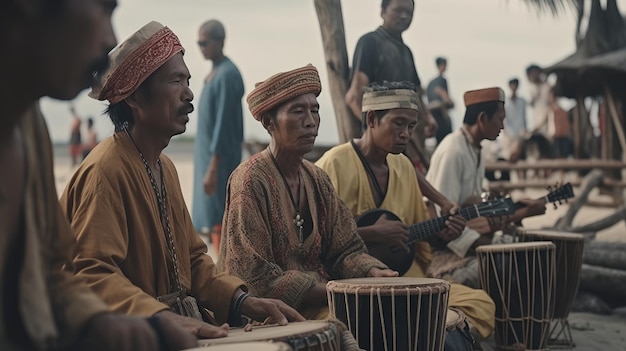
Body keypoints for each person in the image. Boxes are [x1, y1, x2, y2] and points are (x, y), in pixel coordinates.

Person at [60, 21, 303, 339]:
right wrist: (163, 319)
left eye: (188, 80)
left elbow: (191, 260)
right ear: (133, 98)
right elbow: (92, 274)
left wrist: (243, 300)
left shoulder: (165, 168)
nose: (189, 93)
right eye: (176, 80)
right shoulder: (105, 171)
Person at [1, 1, 197, 350]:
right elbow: (88, 269)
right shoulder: (105, 170)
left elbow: (48, 278)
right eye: (104, 9)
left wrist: (101, 324)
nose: (110, 38)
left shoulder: (30, 127)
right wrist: (152, 316)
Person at [316, 81, 496, 340]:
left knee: (479, 303)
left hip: (404, 277)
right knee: (338, 325)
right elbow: (316, 239)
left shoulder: (402, 166)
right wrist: (373, 233)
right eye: (398, 123)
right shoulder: (334, 163)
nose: (406, 134)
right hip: (350, 284)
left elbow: (418, 233)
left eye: (411, 126)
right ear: (371, 119)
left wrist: (443, 233)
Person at [218, 64, 397, 321]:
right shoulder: (249, 181)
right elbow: (252, 277)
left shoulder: (317, 179)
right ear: (269, 122)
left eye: (315, 110)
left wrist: (371, 273)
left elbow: (346, 249)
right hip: (268, 318)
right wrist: (337, 291)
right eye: (298, 111)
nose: (311, 121)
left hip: (326, 302)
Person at [426, 87, 547, 289]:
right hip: (443, 252)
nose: (502, 125)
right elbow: (443, 222)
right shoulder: (453, 151)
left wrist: (515, 211)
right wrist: (487, 245)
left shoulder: (475, 149)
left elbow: (473, 208)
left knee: (523, 251)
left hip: (468, 239)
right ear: (482, 119)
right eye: (499, 119)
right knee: (509, 263)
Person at [345, 0, 438, 172]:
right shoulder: (370, 43)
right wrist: (375, 133)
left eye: (409, 13)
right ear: (383, 11)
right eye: (398, 10)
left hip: (405, 144)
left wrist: (428, 116)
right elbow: (354, 97)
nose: (404, 16)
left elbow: (415, 92)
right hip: (378, 148)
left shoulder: (406, 51)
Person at [191, 19, 244, 254]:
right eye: (199, 43)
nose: (201, 47)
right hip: (208, 159)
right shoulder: (215, 73)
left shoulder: (227, 75)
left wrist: (213, 166)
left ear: (220, 42)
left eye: (205, 42)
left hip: (219, 161)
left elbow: (223, 125)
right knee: (211, 216)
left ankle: (225, 268)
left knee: (220, 214)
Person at [427, 57, 454, 144]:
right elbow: (446, 98)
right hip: (441, 115)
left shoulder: (431, 82)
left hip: (433, 116)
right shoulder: (442, 80)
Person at [501, 78, 527, 162]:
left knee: (521, 157)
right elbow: (505, 120)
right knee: (509, 157)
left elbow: (523, 117)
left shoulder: (522, 101)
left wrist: (523, 131)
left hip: (520, 133)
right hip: (509, 135)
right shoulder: (506, 102)